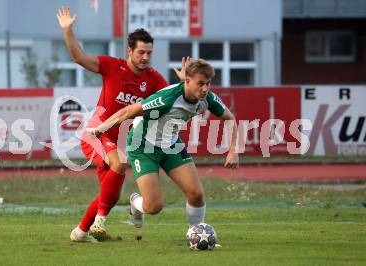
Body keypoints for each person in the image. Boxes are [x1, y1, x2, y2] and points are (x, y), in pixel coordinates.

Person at [56, 6, 188, 242]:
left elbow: (173, 98)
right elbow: (78, 56)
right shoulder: (110, 66)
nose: (145, 57)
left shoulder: (153, 79)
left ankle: (80, 232)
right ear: (130, 51)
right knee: (119, 164)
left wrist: (184, 83)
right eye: (140, 52)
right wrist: (67, 31)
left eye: (149, 53)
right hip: (97, 133)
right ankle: (99, 223)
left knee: (110, 194)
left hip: (121, 141)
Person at [87, 59, 239, 230]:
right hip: (143, 145)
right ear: (187, 82)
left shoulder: (207, 98)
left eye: (208, 84)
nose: (205, 89)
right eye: (201, 84)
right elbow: (129, 111)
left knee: (196, 194)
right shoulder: (167, 98)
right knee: (154, 207)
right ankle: (135, 203)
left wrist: (233, 150)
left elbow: (229, 118)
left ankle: (197, 232)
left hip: (171, 144)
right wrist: (101, 128)